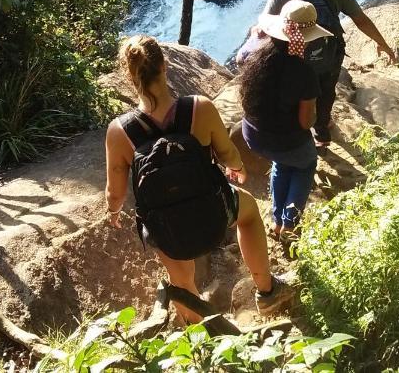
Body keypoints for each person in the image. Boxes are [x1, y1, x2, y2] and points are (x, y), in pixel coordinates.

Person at [105, 34, 292, 319]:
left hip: (166, 228)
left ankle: (198, 339)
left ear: (129, 76)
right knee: (250, 211)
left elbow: (115, 192)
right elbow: (228, 153)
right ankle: (267, 292)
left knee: (180, 278)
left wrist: (114, 210)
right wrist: (238, 167)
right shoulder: (199, 108)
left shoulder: (119, 132)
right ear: (164, 66)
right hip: (213, 211)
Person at [263, 0, 397, 148]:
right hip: (329, 54)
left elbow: (267, 24)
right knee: (326, 92)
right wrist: (382, 43)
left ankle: (298, 134)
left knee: (296, 92)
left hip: (293, 57)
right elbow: (359, 19)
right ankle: (323, 132)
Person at [238, 0, 326, 238]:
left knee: (282, 163)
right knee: (305, 164)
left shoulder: (256, 56)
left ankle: (276, 220)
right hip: (285, 141)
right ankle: (289, 224)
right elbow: (305, 122)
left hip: (253, 135)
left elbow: (239, 60)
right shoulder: (304, 73)